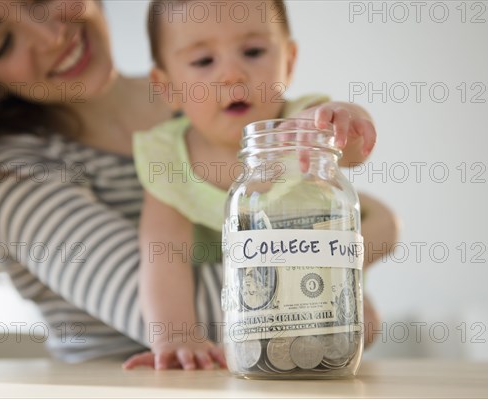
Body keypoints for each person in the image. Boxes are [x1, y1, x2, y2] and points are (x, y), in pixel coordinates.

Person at [0, 0, 395, 364]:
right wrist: (344, 270)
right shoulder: (10, 174)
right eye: (2, 43)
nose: (50, 36)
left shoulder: (243, 110)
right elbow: (194, 317)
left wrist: (351, 139)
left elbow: (348, 190)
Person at [124, 0, 391, 371]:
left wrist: (343, 120)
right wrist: (176, 335)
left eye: (253, 52)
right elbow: (162, 255)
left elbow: (356, 151)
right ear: (166, 86)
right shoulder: (168, 158)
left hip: (315, 293)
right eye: (204, 61)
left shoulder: (304, 125)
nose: (232, 74)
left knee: (366, 322)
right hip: (238, 310)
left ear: (290, 61)